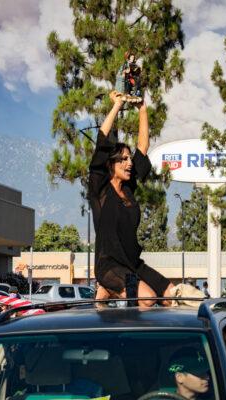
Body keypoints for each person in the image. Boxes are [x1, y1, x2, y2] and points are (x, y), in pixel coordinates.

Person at [89, 91, 174, 307]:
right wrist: (117, 105)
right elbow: (102, 141)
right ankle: (107, 288)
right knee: (147, 299)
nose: (129, 163)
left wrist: (142, 109)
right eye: (123, 159)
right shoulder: (100, 189)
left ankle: (107, 293)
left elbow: (143, 148)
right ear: (111, 164)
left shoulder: (128, 188)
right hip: (109, 266)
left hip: (133, 263)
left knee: (171, 295)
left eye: (129, 159)